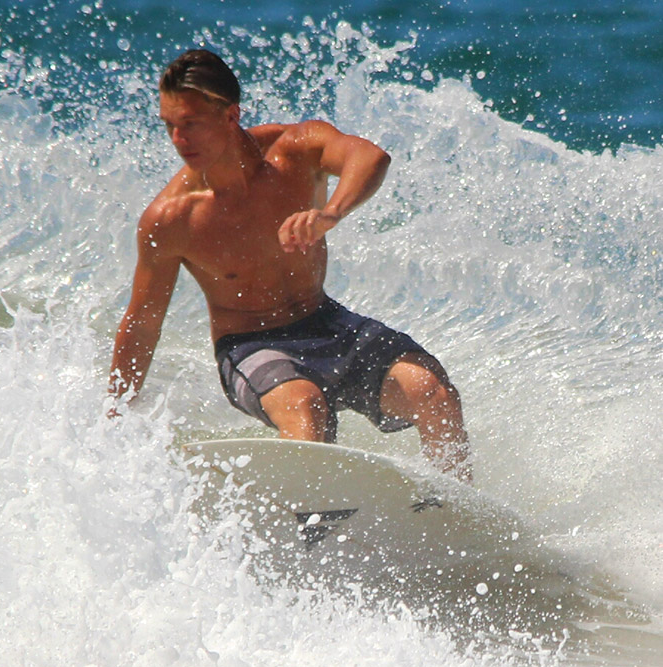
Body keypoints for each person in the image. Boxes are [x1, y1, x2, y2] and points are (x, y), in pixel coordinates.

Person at [108, 49, 471, 481]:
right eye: (169, 126)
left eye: (191, 124)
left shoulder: (295, 151)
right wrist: (115, 414)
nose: (178, 140)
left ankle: (453, 512)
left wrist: (330, 212)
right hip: (250, 346)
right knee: (306, 407)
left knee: (433, 392)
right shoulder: (172, 218)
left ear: (230, 115)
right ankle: (310, 534)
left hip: (325, 321)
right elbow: (144, 320)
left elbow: (370, 158)